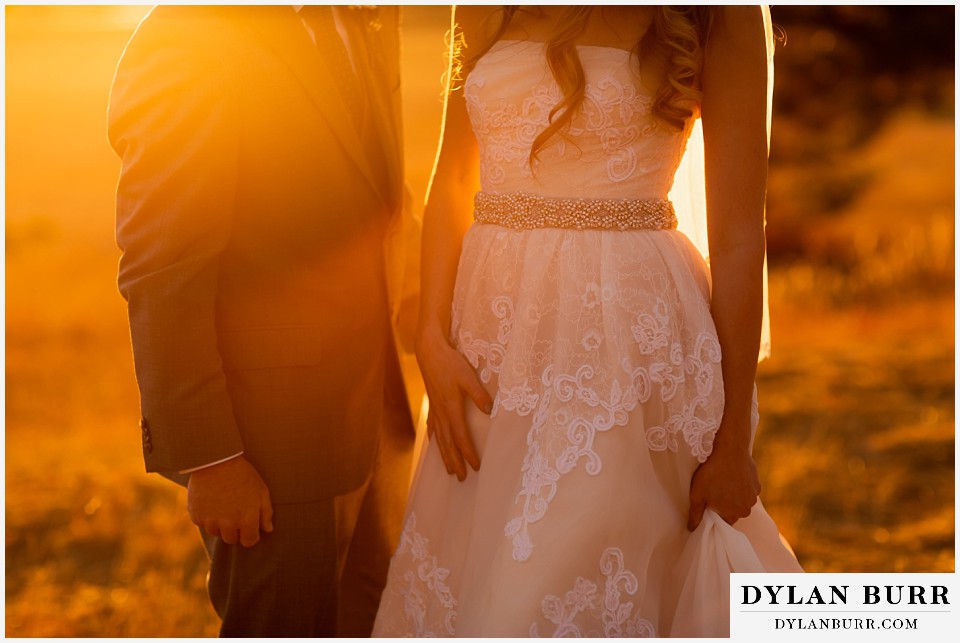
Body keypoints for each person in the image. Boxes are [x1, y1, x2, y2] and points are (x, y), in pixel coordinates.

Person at [372, 5, 802, 637]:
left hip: (625, 349)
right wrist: (431, 337)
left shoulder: (720, 15)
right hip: (489, 347)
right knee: (480, 573)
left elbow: (739, 238)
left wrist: (734, 438)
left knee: (557, 594)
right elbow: (453, 177)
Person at [108, 5, 418, 636]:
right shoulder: (188, 38)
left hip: (377, 417)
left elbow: (379, 203)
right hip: (271, 442)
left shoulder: (363, 19)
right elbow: (164, 268)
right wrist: (212, 460)